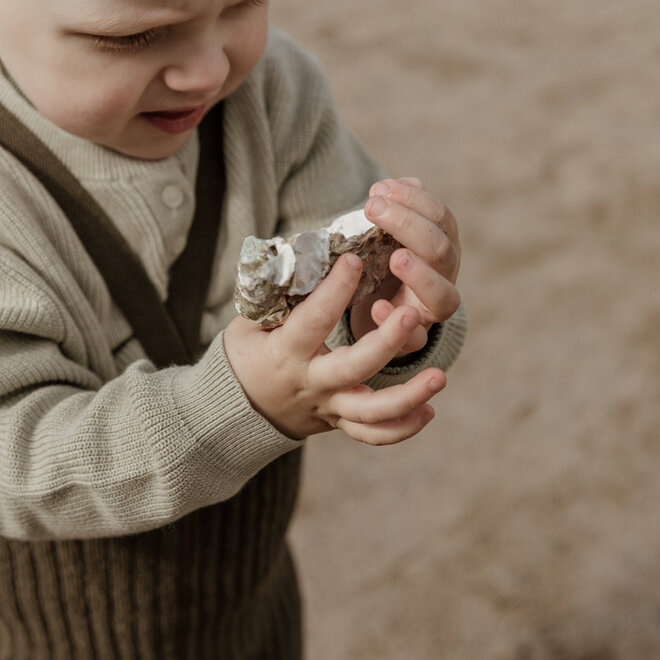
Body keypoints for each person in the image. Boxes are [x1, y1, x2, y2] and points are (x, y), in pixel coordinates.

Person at [0, 0, 467, 657]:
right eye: (135, 35)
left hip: (250, 609)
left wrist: (385, 312)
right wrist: (234, 406)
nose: (206, 69)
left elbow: (338, 292)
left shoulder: (275, 94)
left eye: (239, 5)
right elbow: (14, 457)